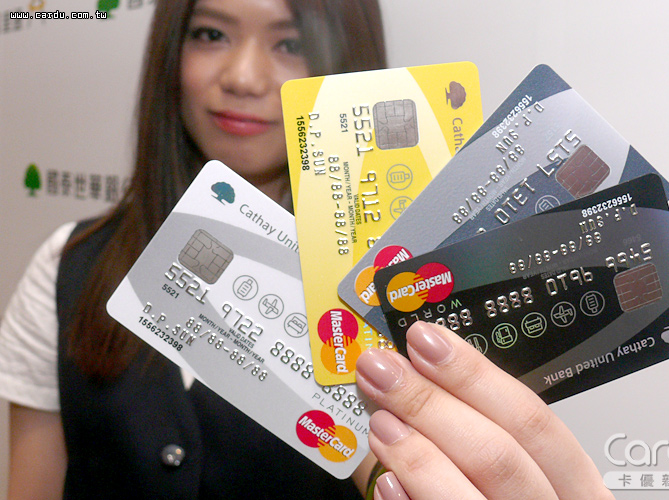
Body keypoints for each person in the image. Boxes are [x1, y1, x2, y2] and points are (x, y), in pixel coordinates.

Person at [0, 0, 613, 498]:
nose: (243, 77)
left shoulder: (412, 297)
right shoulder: (67, 266)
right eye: (211, 33)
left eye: (289, 43)